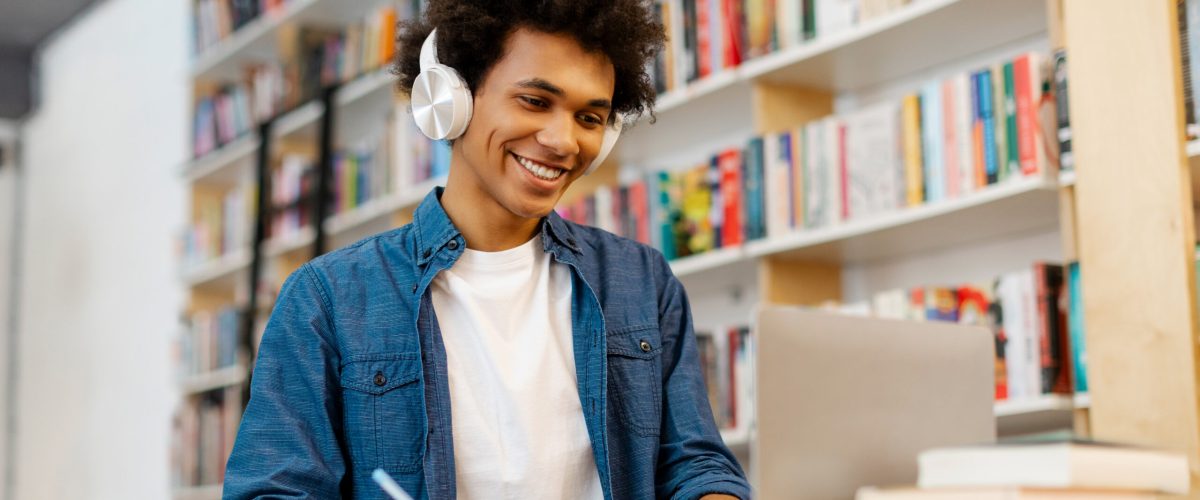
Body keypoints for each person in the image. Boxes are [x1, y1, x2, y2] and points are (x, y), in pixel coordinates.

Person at [222, 1, 750, 499]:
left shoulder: (641, 279)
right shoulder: (328, 298)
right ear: (450, 99)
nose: (564, 140)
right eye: (535, 101)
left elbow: (695, 462)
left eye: (590, 117)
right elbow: (275, 487)